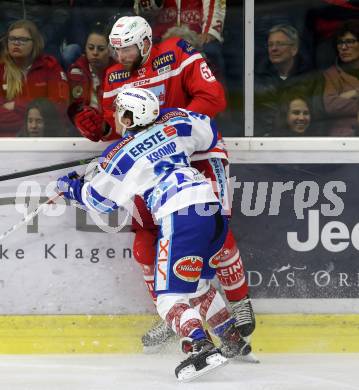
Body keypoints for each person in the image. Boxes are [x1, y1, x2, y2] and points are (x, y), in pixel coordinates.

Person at [72, 15, 255, 354]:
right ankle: (177, 312)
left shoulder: (176, 52)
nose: (121, 56)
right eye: (117, 50)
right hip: (152, 169)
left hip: (195, 151)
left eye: (127, 49)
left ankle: (238, 299)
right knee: (146, 243)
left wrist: (167, 128)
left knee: (213, 232)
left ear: (144, 43)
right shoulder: (114, 76)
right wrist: (100, 130)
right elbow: (123, 129)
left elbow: (212, 98)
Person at [57, 88, 251, 381]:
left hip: (179, 214)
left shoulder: (119, 154)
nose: (118, 117)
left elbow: (99, 200)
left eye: (121, 112)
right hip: (210, 208)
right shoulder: (177, 122)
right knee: (197, 286)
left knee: (168, 299)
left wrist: (70, 186)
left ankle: (200, 346)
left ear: (130, 116)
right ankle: (233, 340)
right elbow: (208, 130)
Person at [0, 19, 69, 137]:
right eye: (12, 39)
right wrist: (36, 117)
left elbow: (59, 110)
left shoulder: (50, 67)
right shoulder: (1, 70)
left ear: (35, 42)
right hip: (8, 142)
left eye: (22, 40)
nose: (16, 43)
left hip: (45, 139)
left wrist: (16, 106)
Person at [254, 24, 322, 136]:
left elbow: (318, 115)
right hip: (265, 141)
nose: (274, 49)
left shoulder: (311, 77)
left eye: (280, 44)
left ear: (294, 49)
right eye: (270, 45)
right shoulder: (257, 77)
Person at [133, 0, 226, 79]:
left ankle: (212, 94)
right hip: (160, 34)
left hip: (196, 35)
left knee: (211, 52)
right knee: (142, 57)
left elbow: (215, 5)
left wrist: (210, 31)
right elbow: (143, 12)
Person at [67, 22, 115, 123]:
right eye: (91, 48)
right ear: (85, 48)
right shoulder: (75, 72)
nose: (95, 53)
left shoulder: (119, 73)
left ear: (110, 50)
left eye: (101, 49)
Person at [321, 20, 359, 136]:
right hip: (343, 138)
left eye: (350, 42)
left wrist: (349, 95)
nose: (343, 47)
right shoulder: (331, 74)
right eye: (340, 42)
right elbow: (331, 105)